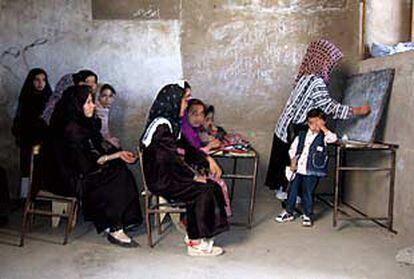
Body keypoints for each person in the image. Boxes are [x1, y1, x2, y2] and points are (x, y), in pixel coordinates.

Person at [265, 39, 371, 200]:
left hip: (284, 129)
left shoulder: (305, 78)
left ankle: (289, 197)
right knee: (294, 170)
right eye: (330, 62)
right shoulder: (316, 82)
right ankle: (291, 202)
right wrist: (357, 110)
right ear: (322, 60)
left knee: (287, 172)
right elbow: (330, 107)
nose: (331, 66)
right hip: (294, 130)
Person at [41, 85, 142, 247]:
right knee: (113, 178)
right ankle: (114, 227)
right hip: (69, 177)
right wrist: (113, 156)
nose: (93, 105)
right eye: (88, 102)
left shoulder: (85, 122)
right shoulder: (70, 128)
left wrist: (118, 154)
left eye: (92, 101)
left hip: (83, 169)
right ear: (76, 104)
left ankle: (124, 220)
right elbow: (83, 163)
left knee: (120, 170)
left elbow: (97, 147)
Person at [140, 82, 229, 257]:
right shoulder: (162, 127)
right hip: (161, 179)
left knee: (211, 186)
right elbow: (169, 159)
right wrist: (193, 176)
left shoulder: (170, 124)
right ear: (173, 101)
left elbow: (187, 148)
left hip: (168, 174)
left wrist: (207, 160)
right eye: (184, 101)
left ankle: (194, 236)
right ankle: (195, 243)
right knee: (202, 190)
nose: (186, 104)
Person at [275, 109, 337, 227]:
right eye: (311, 123)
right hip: (298, 169)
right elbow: (293, 149)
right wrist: (293, 162)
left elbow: (333, 139)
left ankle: (308, 214)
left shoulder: (324, 136)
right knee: (292, 190)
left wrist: (323, 128)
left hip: (312, 170)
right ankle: (289, 211)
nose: (314, 126)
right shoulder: (302, 135)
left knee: (307, 192)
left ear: (323, 122)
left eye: (317, 123)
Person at [181, 98, 231, 216]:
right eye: (194, 114)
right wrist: (208, 147)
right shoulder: (183, 132)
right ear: (185, 114)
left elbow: (199, 146)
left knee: (218, 181)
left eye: (201, 114)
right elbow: (189, 154)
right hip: (188, 171)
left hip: (195, 167)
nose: (199, 118)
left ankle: (216, 215)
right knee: (218, 183)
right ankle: (216, 215)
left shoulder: (194, 130)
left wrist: (211, 138)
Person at [11, 68, 52, 198]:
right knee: (27, 168)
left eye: (43, 80)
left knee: (44, 167)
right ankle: (25, 197)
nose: (41, 83)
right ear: (31, 81)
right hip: (28, 140)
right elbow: (19, 121)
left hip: (45, 141)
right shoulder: (26, 98)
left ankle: (43, 196)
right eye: (37, 80)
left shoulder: (49, 99)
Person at [95, 84, 121, 148]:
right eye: (104, 96)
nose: (107, 99)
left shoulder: (105, 110)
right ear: (98, 97)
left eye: (110, 96)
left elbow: (105, 131)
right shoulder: (95, 112)